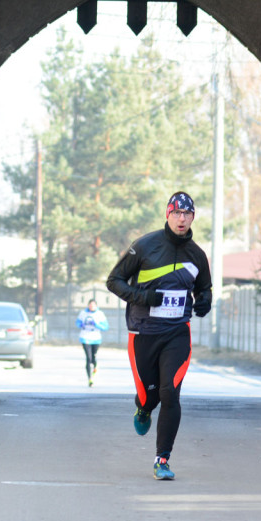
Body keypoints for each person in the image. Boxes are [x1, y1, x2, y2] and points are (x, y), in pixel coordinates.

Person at [106, 191, 212, 481]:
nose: (182, 218)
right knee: (149, 395)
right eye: (177, 213)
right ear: (168, 214)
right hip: (143, 332)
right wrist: (143, 296)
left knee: (171, 393)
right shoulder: (144, 246)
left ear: (193, 218)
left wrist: (204, 302)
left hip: (177, 333)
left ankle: (162, 459)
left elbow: (204, 289)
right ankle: (143, 408)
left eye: (187, 214)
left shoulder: (197, 255)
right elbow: (113, 281)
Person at [75, 298, 109, 386]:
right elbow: (77, 323)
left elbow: (105, 327)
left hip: (96, 338)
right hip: (85, 338)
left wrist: (96, 324)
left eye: (93, 305)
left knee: (93, 358)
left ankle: (95, 368)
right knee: (88, 358)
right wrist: (81, 325)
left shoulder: (100, 314)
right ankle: (90, 379)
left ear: (96, 306)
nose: (91, 306)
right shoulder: (83, 313)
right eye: (90, 305)